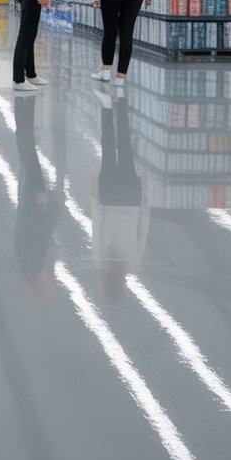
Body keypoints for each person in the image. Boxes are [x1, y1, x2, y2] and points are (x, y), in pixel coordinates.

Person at [90, 92, 149, 304]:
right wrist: (94, 199)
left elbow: (143, 230)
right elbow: (97, 228)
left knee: (125, 145)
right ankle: (107, 104)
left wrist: (145, 197)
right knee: (107, 147)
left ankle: (122, 97)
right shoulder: (100, 262)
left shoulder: (133, 265)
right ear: (103, 286)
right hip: (108, 198)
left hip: (131, 199)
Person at [15, 95, 61, 302]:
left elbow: (34, 231)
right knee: (26, 150)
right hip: (29, 203)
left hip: (36, 201)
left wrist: (43, 204)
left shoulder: (33, 263)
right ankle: (23, 100)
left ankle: (27, 99)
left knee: (28, 149)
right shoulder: (26, 265)